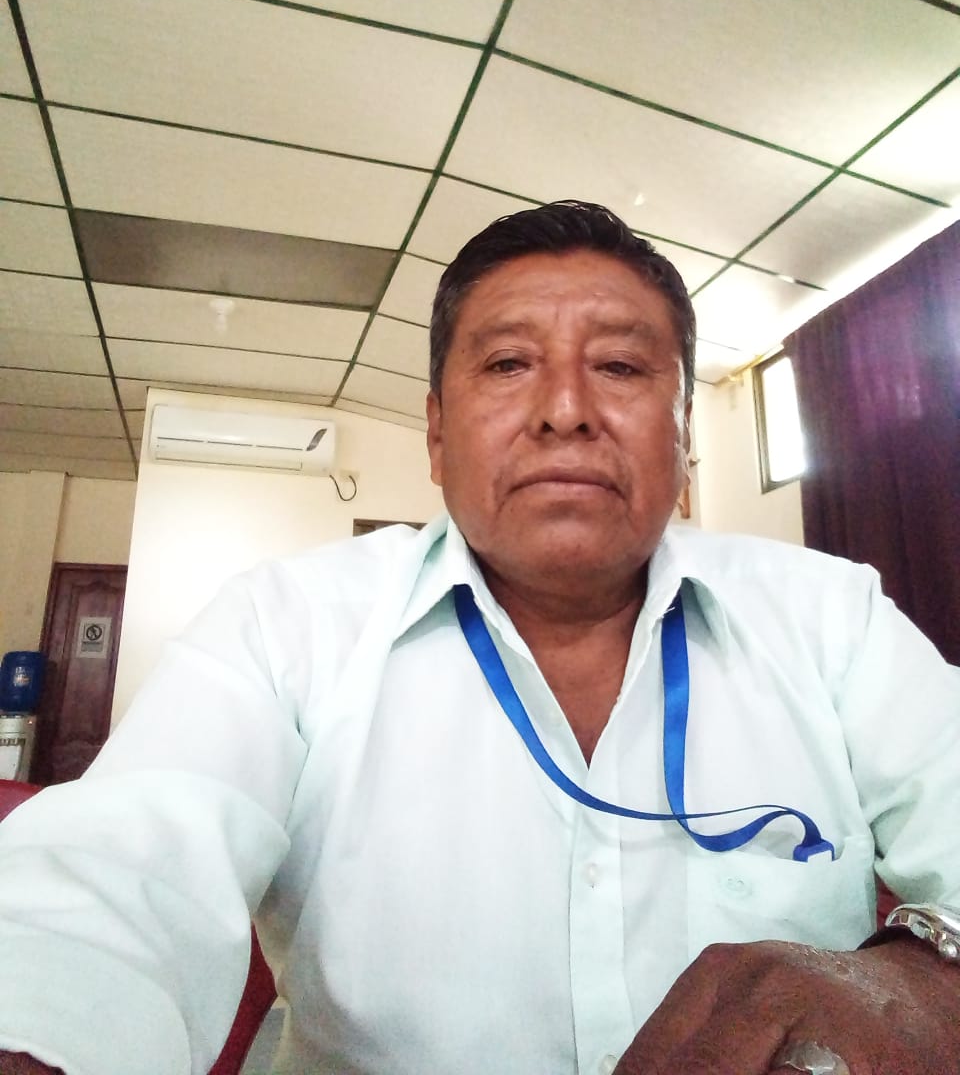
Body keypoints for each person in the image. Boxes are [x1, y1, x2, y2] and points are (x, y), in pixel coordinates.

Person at [0, 201, 957, 1075]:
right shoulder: (285, 624)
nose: (566, 410)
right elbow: (112, 878)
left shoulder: (833, 617)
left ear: (683, 431)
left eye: (621, 367)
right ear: (435, 433)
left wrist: (922, 982)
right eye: (507, 365)